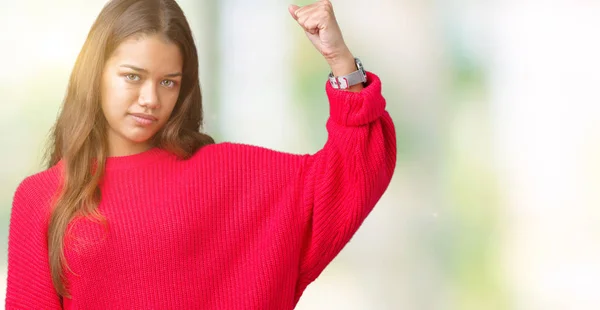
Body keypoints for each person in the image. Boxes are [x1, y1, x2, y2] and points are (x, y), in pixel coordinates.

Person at [5, 0, 396, 308]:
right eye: (132, 76)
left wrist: (340, 61)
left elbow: (354, 171)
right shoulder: (42, 196)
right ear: (94, 72)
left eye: (168, 82)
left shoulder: (225, 173)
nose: (150, 99)